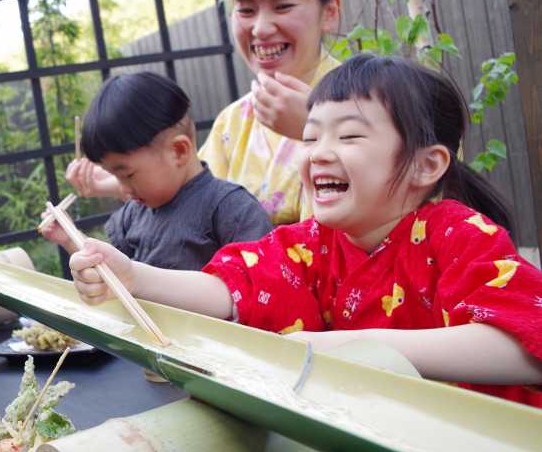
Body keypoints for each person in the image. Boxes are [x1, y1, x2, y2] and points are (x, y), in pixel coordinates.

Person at [67, 55, 542, 406]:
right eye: (310, 137)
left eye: (349, 135)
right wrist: (133, 277)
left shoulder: (458, 235)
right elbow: (232, 288)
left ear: (426, 165)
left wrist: (349, 348)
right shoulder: (310, 244)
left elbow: (526, 344)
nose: (318, 153)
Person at [67, 0, 342, 226]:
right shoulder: (233, 122)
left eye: (283, 6)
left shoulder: (366, 99)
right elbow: (194, 193)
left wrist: (314, 130)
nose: (260, 28)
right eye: (246, 10)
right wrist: (117, 178)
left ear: (328, 12)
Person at [40, 71, 272, 271]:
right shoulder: (133, 214)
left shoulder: (232, 210)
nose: (122, 188)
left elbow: (261, 286)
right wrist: (71, 239)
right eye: (115, 176)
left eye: (128, 175)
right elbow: (111, 275)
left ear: (178, 151)